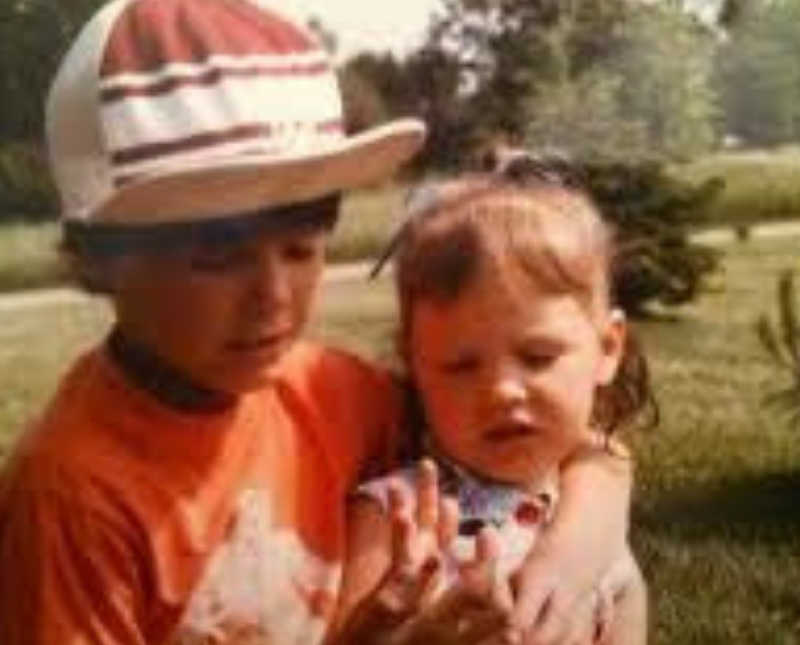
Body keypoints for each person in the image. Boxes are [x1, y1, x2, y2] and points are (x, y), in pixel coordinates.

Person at [0, 1, 635, 643]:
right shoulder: (72, 498)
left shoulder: (330, 392)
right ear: (99, 260)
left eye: (303, 248)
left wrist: (577, 546)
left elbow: (574, 443)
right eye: (219, 258)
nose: (274, 296)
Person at [332, 159, 650, 644]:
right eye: (460, 366)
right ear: (413, 367)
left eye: (537, 356)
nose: (502, 389)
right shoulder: (397, 518)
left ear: (608, 348)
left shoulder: (596, 533)